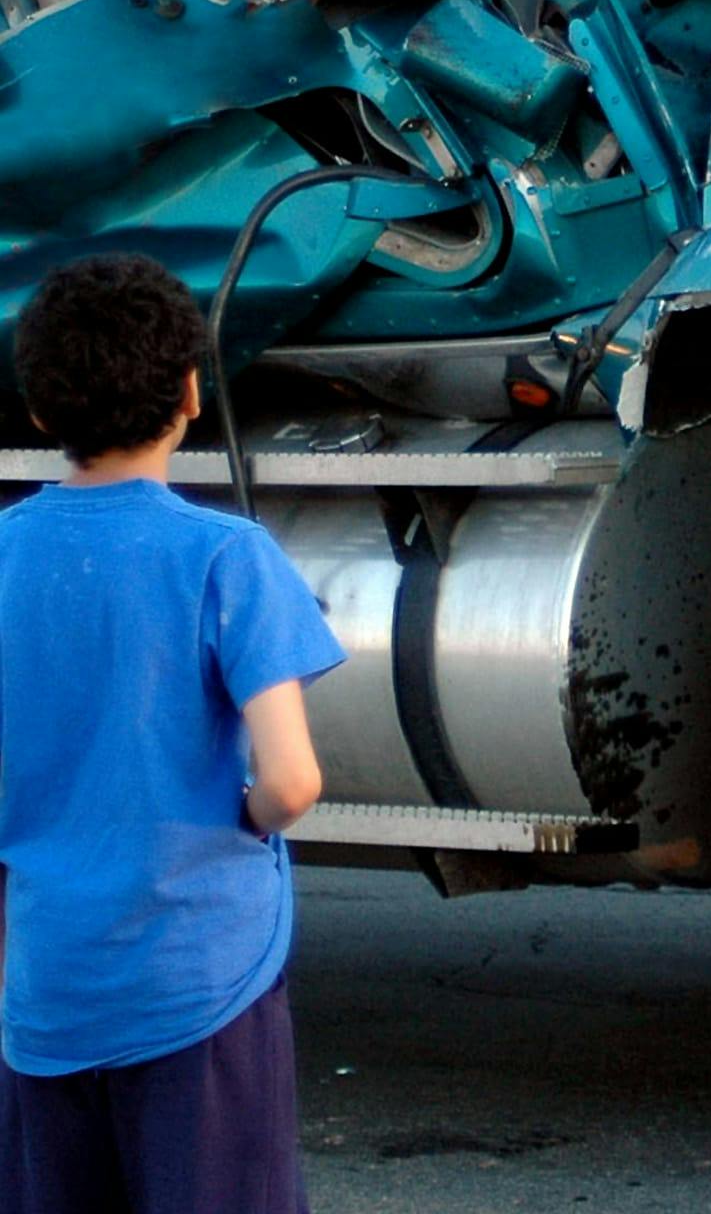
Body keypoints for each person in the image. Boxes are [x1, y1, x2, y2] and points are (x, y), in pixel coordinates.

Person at [0, 253, 345, 1214]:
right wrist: (242, 812)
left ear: (39, 409)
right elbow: (292, 780)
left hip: (48, 993)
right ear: (191, 392)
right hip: (200, 983)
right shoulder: (225, 556)